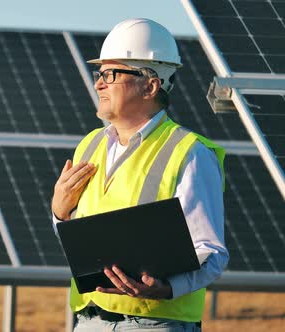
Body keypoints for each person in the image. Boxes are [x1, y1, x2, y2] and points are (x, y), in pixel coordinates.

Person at [52, 18, 228, 331]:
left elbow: (211, 253)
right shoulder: (89, 145)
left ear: (150, 85)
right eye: (99, 74)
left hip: (155, 323)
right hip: (88, 320)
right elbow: (79, 242)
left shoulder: (189, 152)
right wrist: (59, 213)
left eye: (110, 74)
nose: (98, 84)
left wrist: (167, 289)